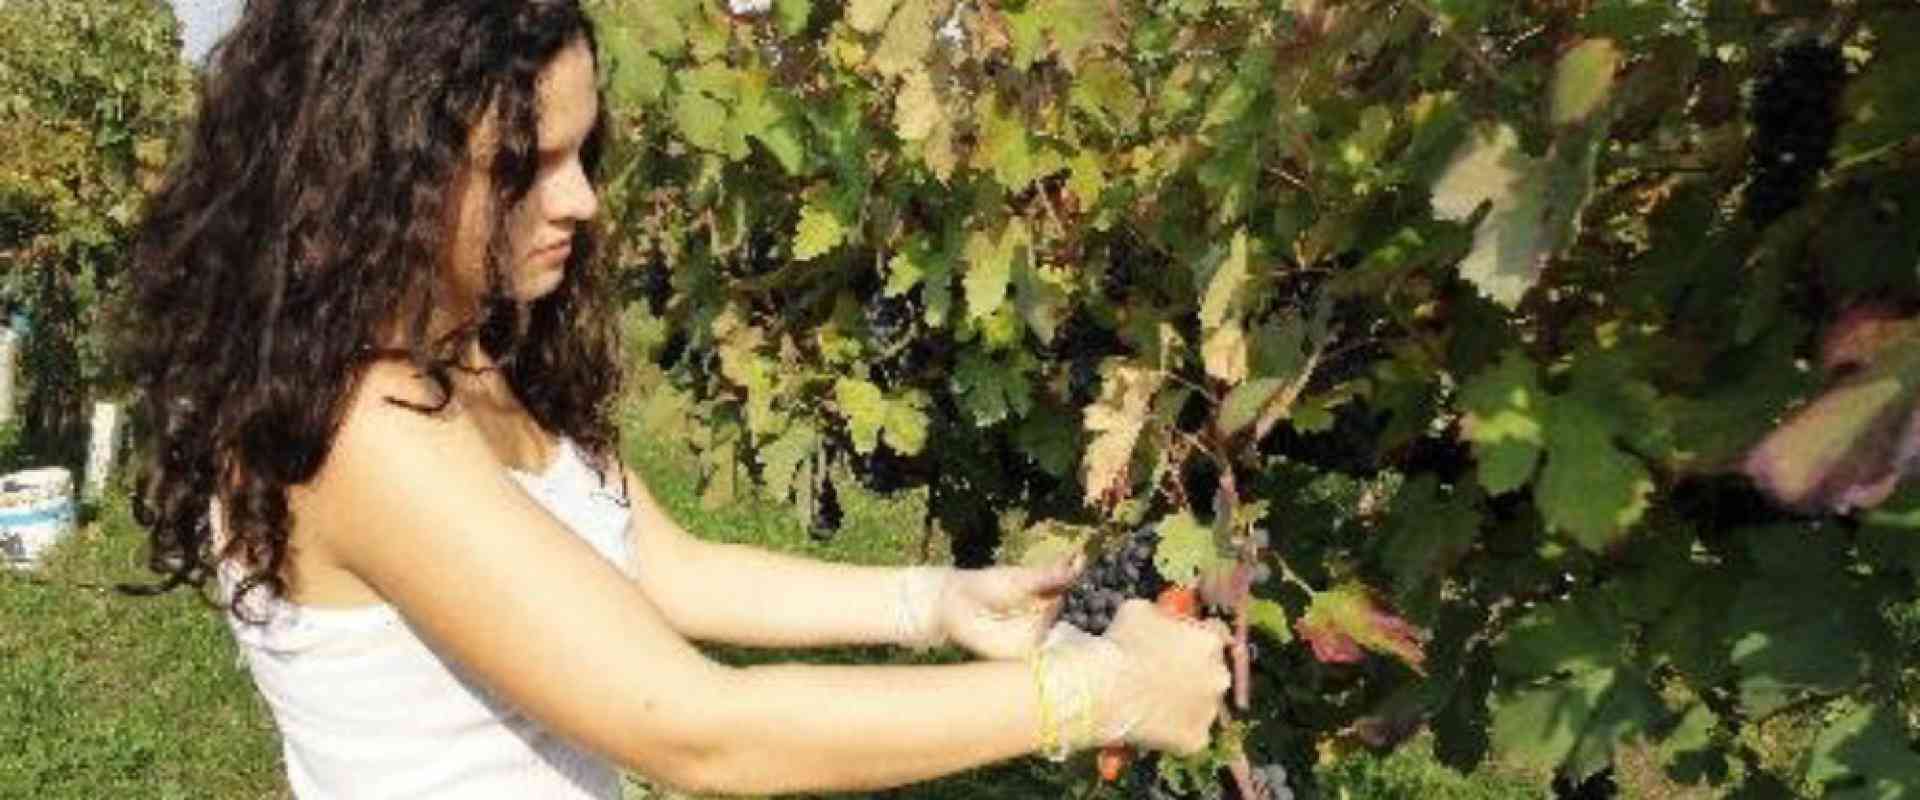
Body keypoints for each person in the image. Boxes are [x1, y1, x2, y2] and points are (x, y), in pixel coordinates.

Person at [114, 1, 1234, 797]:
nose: (582, 200)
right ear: (378, 167)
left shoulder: (457, 344)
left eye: (583, 150)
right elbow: (699, 731)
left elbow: (656, 566)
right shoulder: (359, 429)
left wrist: (933, 601)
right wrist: (1097, 694)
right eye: (524, 166)